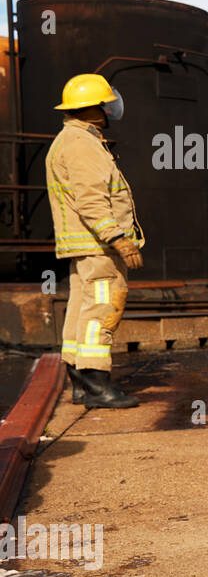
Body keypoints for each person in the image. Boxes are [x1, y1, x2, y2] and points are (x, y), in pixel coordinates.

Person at [46, 73, 144, 409]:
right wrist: (119, 239)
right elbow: (91, 199)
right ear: (91, 108)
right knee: (102, 308)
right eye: (104, 104)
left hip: (85, 246)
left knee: (80, 308)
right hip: (99, 246)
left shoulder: (69, 139)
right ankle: (97, 385)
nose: (108, 110)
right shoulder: (83, 144)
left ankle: (79, 383)